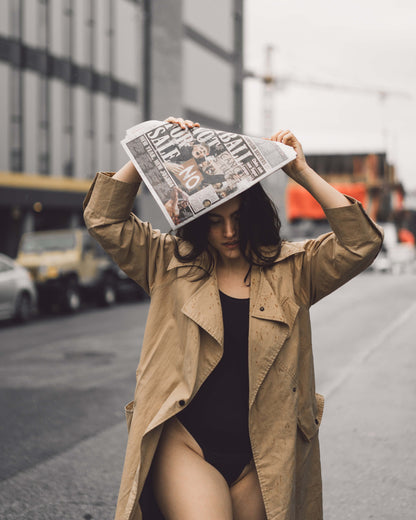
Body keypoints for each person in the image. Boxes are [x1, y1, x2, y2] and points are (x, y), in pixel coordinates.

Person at [83, 117, 383, 520]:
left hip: (264, 454)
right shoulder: (167, 264)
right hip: (187, 443)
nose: (228, 232)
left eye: (238, 219)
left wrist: (300, 171)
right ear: (198, 222)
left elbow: (360, 242)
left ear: (255, 216)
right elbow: (105, 219)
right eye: (214, 220)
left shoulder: (294, 272)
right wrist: (150, 150)